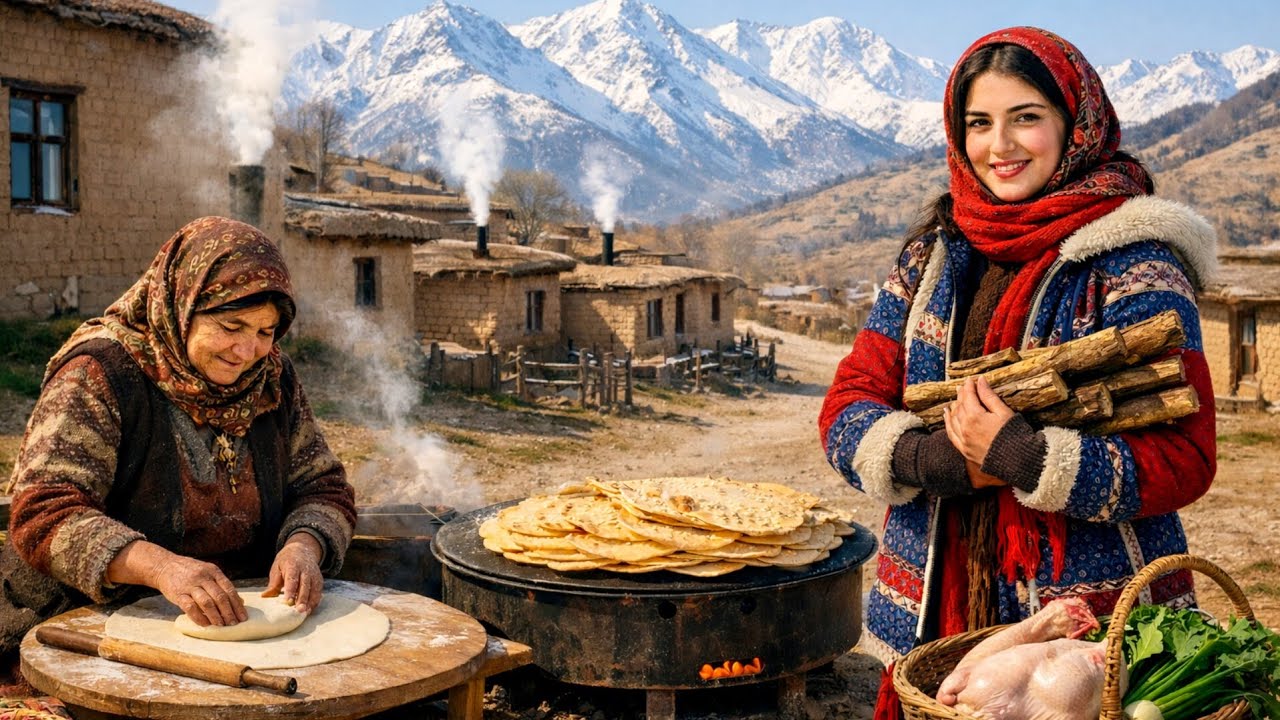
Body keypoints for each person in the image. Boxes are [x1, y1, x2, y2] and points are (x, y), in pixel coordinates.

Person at [817, 27, 1217, 718]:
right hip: (933, 612)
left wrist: (1027, 458)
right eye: (979, 123)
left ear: (1076, 124)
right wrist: (930, 459)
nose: (998, 146)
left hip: (1080, 639)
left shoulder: (1133, 263)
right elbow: (849, 404)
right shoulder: (932, 260)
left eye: (1025, 118)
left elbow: (1186, 457)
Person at [1, 216, 357, 685]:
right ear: (183, 306)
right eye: (231, 325)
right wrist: (161, 567)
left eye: (266, 332)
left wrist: (304, 545)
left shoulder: (272, 380)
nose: (247, 350)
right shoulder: (101, 374)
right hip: (83, 628)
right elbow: (44, 514)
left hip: (234, 626)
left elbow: (323, 487)